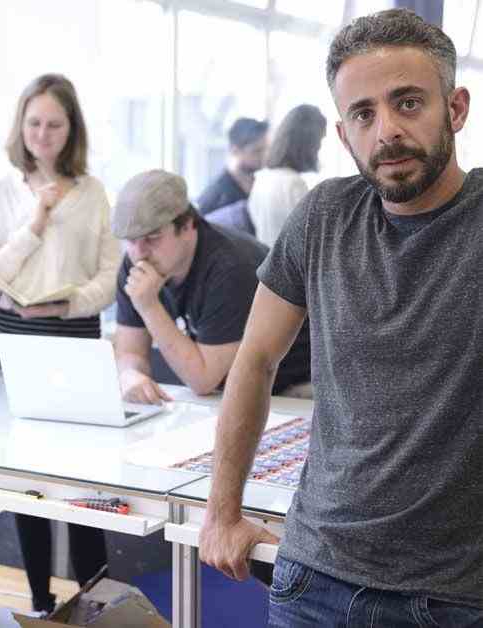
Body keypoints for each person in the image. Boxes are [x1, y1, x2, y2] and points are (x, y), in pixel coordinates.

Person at [199, 9, 483, 626]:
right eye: (363, 114)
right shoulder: (323, 215)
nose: (387, 131)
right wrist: (222, 512)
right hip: (314, 580)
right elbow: (255, 359)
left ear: (456, 108)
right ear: (342, 132)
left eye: (408, 103)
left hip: (453, 597)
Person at [0, 73, 120, 614]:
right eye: (34, 123)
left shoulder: (93, 193)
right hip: (12, 338)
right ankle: (39, 601)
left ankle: (95, 604)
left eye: (54, 124)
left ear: (71, 129)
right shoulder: (1, 192)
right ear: (21, 126)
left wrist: (68, 304)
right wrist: (35, 222)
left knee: (85, 485)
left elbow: (109, 278)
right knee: (24, 484)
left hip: (73, 335)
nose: (42, 134)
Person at [112, 170, 310, 405]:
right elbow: (130, 352)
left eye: (153, 237)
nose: (139, 253)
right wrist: (130, 375)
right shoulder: (137, 262)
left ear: (187, 225)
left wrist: (148, 306)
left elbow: (203, 380)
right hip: (229, 389)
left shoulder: (230, 268)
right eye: (131, 240)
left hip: (292, 389)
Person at [248, 104, 326, 246]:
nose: (319, 148)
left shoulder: (262, 179)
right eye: (319, 141)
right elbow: (311, 238)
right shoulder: (293, 184)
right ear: (308, 143)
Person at [196, 117, 269, 215]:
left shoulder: (260, 188)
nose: (264, 156)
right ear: (235, 151)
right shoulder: (215, 198)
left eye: (265, 150)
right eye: (257, 151)